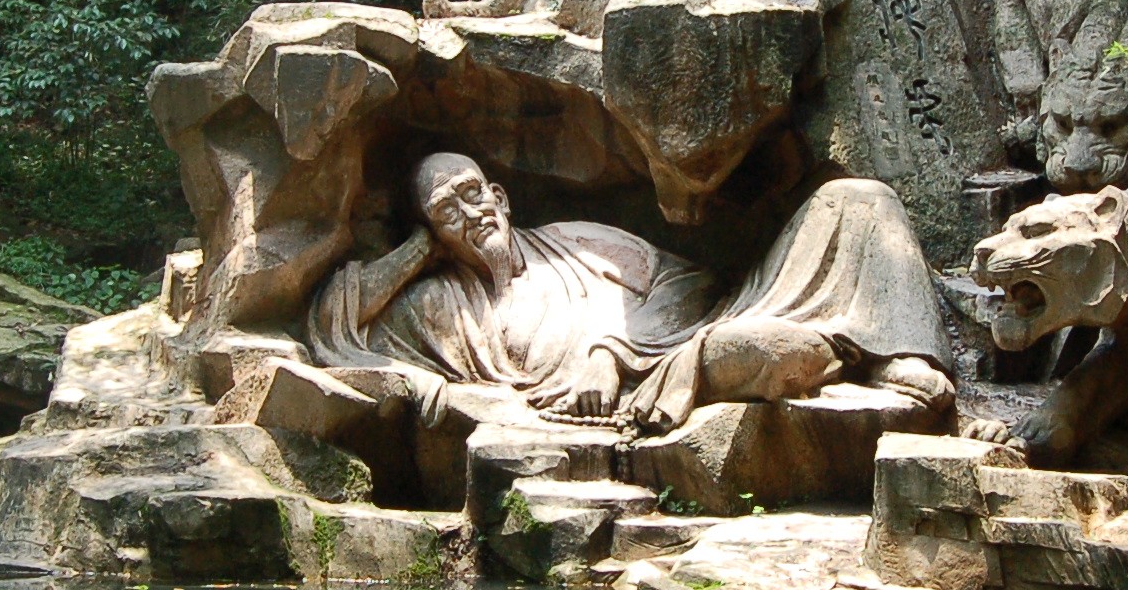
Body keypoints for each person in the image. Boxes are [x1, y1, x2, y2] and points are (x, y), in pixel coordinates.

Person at [310, 151, 955, 432]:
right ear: (429, 233)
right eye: (449, 208)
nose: (473, 209)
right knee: (769, 351)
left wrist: (609, 353)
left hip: (692, 336)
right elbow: (333, 327)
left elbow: (686, 282)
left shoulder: (573, 240)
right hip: (698, 367)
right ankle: (840, 357)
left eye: (476, 190)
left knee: (859, 200)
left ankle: (902, 357)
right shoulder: (437, 308)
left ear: (501, 196)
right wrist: (425, 246)